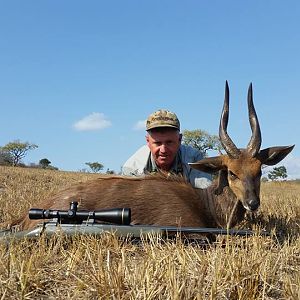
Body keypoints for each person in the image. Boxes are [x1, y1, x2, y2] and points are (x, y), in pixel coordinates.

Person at [121, 109, 212, 188]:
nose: (163, 150)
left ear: (179, 140)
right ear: (148, 142)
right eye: (157, 143)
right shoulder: (133, 168)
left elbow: (204, 198)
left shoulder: (195, 160)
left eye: (169, 142)